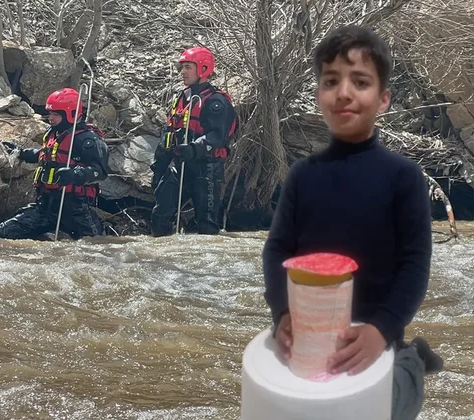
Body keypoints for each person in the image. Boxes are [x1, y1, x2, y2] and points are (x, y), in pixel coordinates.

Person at [262, 25, 443, 419]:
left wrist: (382, 329)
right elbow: (277, 249)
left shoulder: (403, 176)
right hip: (310, 331)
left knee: (389, 404)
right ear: (318, 95)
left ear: (383, 99)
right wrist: (282, 314)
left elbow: (415, 264)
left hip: (377, 333)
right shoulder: (302, 176)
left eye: (360, 81)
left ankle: (414, 360)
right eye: (331, 81)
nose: (343, 93)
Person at [0, 88, 109, 240]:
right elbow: (46, 157)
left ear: (71, 114)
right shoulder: (53, 133)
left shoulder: (88, 140)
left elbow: (100, 172)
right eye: (50, 114)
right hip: (45, 206)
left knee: (95, 243)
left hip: (74, 210)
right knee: (4, 232)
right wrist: (21, 152)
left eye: (56, 114)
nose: (51, 118)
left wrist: (76, 174)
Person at [149, 46, 238, 236]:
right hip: (181, 166)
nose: (183, 72)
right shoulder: (182, 98)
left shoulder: (216, 102)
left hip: (207, 168)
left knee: (206, 225)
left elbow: (218, 136)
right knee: (160, 215)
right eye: (183, 67)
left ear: (203, 69)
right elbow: (169, 134)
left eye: (188, 67)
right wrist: (158, 166)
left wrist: (194, 148)